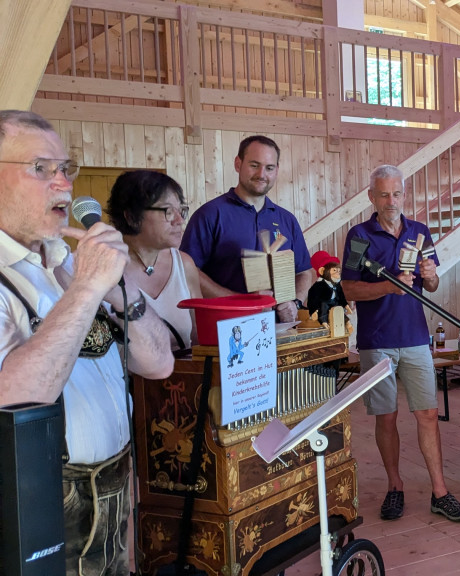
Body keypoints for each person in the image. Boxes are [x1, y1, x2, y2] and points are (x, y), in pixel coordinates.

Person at [0, 110, 174, 575]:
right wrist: (87, 288)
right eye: (41, 168)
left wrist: (119, 287)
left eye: (65, 168)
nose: (64, 184)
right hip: (42, 514)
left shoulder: (69, 261)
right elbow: (17, 399)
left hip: (115, 493)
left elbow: (159, 364)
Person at [341, 164, 460, 522]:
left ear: (404, 195)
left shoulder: (419, 232)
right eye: (384, 194)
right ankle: (394, 487)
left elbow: (431, 285)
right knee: (387, 417)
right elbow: (349, 289)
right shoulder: (359, 235)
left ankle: (440, 492)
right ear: (371, 197)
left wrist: (431, 277)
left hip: (415, 338)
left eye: (396, 194)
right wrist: (388, 286)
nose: (391, 201)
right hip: (376, 341)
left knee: (427, 414)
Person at [180, 135, 313, 322]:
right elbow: (187, 271)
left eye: (269, 168)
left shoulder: (287, 220)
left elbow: (304, 272)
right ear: (238, 164)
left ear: (277, 170)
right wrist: (239, 302)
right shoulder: (210, 215)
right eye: (254, 165)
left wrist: (295, 302)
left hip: (279, 329)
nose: (261, 174)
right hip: (225, 326)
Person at [107, 170, 202, 350]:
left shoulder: (184, 265)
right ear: (132, 217)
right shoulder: (102, 268)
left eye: (181, 210)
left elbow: (199, 339)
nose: (179, 220)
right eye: (168, 211)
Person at [306, 250, 349, 325]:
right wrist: (313, 311)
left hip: (335, 306)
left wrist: (345, 305)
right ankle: (324, 322)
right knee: (324, 307)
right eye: (334, 270)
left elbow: (341, 295)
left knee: (340, 310)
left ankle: (347, 323)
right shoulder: (318, 286)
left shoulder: (336, 284)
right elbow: (312, 299)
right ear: (322, 271)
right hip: (323, 308)